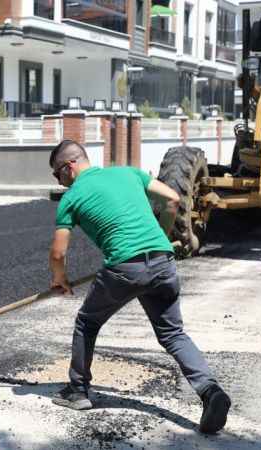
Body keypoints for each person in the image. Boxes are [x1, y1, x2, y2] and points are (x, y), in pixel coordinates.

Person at [47, 140, 231, 434]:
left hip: (124, 268)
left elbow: (58, 253)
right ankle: (211, 392)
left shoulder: (72, 198)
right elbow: (172, 198)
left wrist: (60, 279)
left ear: (68, 167)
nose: (59, 181)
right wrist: (161, 235)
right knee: (173, 333)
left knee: (87, 322)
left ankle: (78, 391)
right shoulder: (129, 173)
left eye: (57, 174)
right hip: (163, 262)